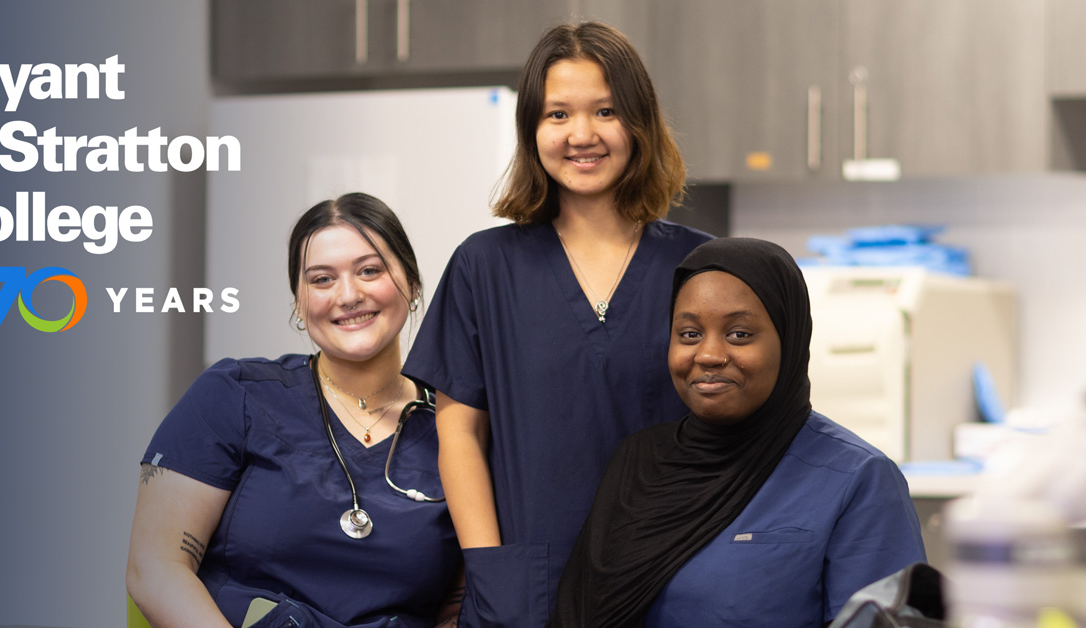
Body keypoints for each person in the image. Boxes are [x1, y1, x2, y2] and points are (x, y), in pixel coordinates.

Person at [402, 22, 712, 628]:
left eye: (605, 111)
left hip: (676, 574)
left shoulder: (701, 268)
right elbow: (459, 435)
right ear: (532, 131)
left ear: (640, 125)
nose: (582, 135)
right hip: (526, 588)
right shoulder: (484, 266)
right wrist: (491, 573)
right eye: (557, 115)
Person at [548, 237, 927, 628]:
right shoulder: (640, 463)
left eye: (739, 334)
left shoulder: (858, 479)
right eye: (690, 334)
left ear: (790, 340)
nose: (709, 355)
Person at [127, 193, 462, 628]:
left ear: (412, 284)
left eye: (370, 270)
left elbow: (457, 608)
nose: (349, 295)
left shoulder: (456, 426)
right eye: (322, 280)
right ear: (300, 304)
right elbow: (155, 569)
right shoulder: (235, 395)